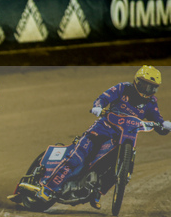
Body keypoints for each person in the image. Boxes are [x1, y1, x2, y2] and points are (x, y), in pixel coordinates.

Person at [36, 66, 171, 209]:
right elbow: (104, 97)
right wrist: (98, 107)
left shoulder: (151, 102)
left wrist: (165, 125)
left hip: (124, 138)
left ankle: (96, 193)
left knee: (121, 172)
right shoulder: (123, 88)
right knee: (77, 158)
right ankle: (48, 188)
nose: (147, 90)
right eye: (145, 85)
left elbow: (158, 120)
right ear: (137, 81)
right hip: (102, 129)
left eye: (152, 88)